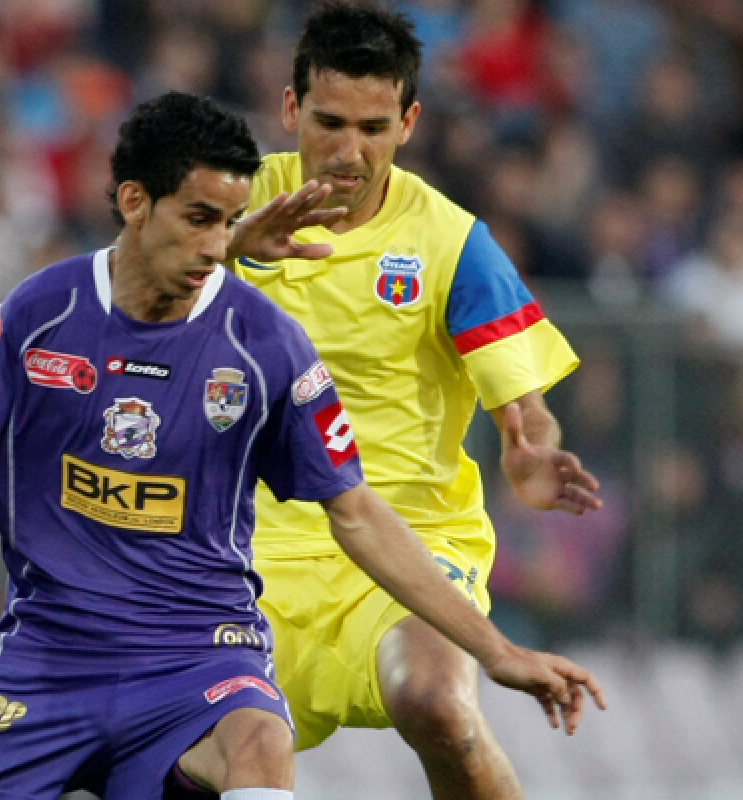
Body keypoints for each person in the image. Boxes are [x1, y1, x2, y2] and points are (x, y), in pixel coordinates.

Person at [0, 90, 604, 800]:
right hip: (50, 656)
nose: (215, 247)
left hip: (198, 656)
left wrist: (496, 651)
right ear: (135, 202)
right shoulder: (41, 313)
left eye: (228, 223)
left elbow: (356, 512)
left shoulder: (264, 342)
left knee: (261, 738)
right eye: (199, 219)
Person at [221, 3, 606, 799]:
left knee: (437, 701)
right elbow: (120, 299)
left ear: (408, 123)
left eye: (373, 127)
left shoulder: (453, 243)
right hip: (247, 556)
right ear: (291, 109)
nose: (349, 151)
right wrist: (225, 249)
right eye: (330, 122)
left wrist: (530, 448)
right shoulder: (230, 205)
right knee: (189, 756)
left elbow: (526, 405)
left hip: (409, 547)